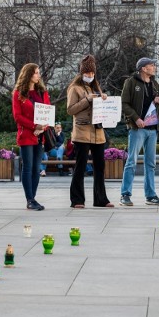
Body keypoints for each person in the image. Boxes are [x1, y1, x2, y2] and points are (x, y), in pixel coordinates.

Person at [66, 55, 113, 208]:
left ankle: (101, 199)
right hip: (82, 132)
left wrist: (103, 98)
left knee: (100, 167)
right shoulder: (75, 88)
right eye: (87, 73)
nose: (90, 76)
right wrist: (88, 100)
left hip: (98, 132)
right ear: (81, 73)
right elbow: (70, 109)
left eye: (92, 73)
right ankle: (77, 200)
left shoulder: (96, 87)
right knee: (80, 166)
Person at [119, 57, 159, 207]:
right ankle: (125, 194)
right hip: (137, 129)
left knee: (150, 163)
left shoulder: (155, 84)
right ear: (144, 68)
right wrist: (135, 118)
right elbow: (124, 103)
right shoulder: (131, 83)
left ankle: (150, 195)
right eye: (151, 65)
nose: (154, 68)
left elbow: (158, 105)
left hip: (152, 129)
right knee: (131, 161)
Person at [12, 63, 49, 210]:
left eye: (38, 72)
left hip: (41, 136)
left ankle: (33, 198)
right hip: (26, 135)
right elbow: (18, 117)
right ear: (28, 74)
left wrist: (43, 127)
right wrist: (34, 126)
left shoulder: (42, 92)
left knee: (36, 168)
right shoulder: (18, 94)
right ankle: (30, 199)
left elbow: (48, 113)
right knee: (27, 167)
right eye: (36, 72)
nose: (38, 75)